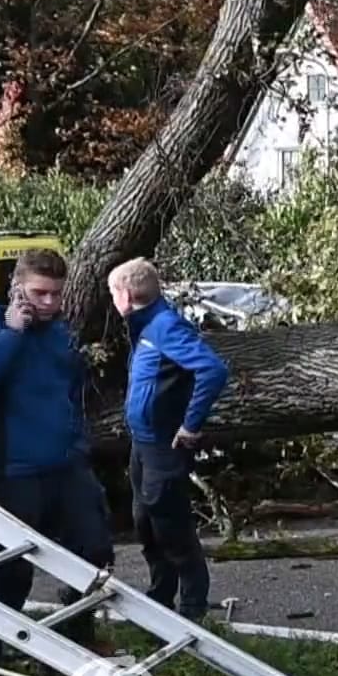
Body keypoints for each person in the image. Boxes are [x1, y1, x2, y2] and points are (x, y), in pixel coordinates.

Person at [0, 248, 114, 676]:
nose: (50, 303)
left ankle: (78, 638)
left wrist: (76, 444)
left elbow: (68, 391)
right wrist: (11, 335)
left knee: (95, 549)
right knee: (9, 578)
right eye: (40, 293)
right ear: (16, 287)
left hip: (63, 465)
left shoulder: (58, 333)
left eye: (57, 294)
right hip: (7, 471)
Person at [108, 257, 227, 625]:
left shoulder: (164, 326)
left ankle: (193, 608)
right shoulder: (142, 324)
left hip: (164, 445)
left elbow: (213, 369)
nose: (112, 300)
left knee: (171, 526)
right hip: (141, 444)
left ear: (126, 295)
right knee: (144, 521)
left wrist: (191, 425)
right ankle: (160, 596)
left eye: (113, 293)